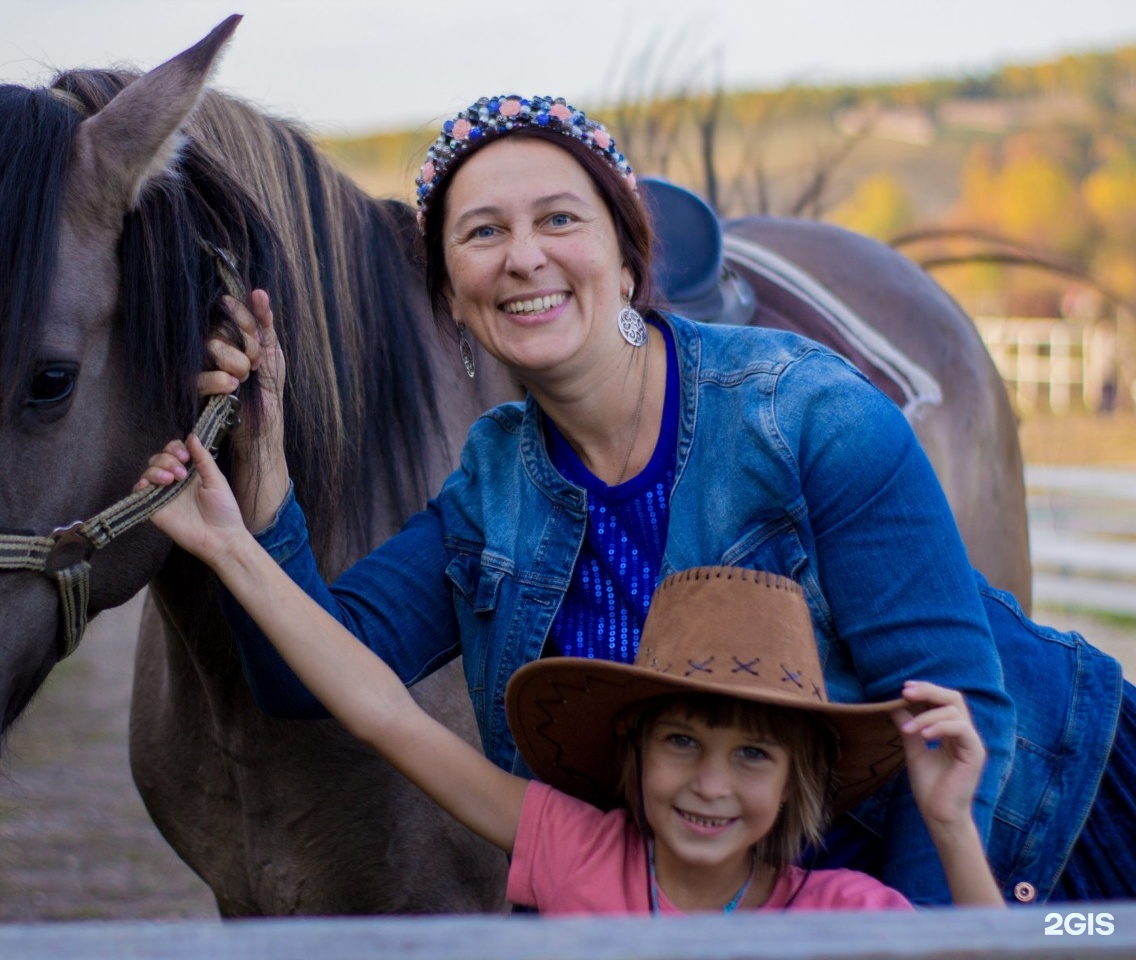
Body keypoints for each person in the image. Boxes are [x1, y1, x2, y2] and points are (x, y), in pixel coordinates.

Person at [152, 94, 1133, 905]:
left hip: (1012, 851)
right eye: (482, 233)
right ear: (448, 296)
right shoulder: (492, 482)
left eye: (559, 221)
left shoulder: (813, 417)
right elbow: (312, 679)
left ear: (629, 260)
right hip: (704, 908)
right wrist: (264, 484)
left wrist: (907, 945)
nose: (523, 257)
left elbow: (954, 723)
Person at [144, 442, 1005, 913]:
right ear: (632, 749)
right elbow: (383, 713)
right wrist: (231, 546)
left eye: (753, 755)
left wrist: (950, 826)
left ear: (798, 778)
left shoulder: (843, 915)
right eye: (681, 741)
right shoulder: (583, 856)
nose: (709, 784)